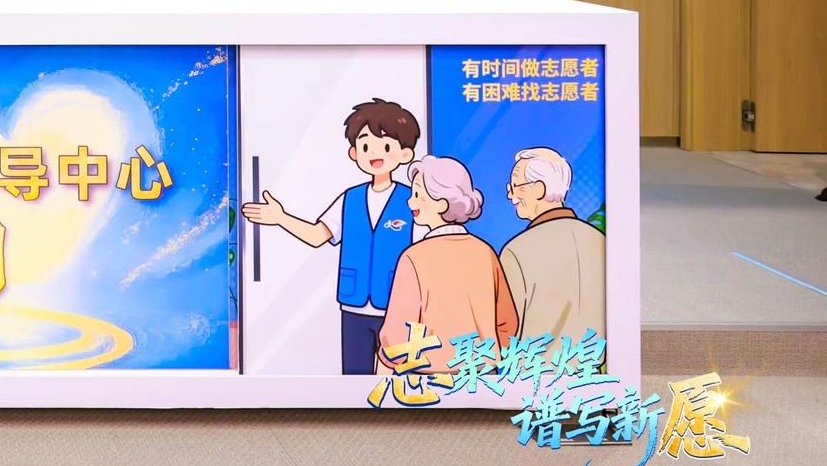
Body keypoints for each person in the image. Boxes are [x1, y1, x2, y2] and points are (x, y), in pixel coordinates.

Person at [240, 98, 421, 374]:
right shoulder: (350, 199)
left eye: (386, 146)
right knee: (354, 376)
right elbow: (317, 235)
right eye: (365, 146)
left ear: (405, 154)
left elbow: (424, 251)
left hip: (397, 304)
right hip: (353, 305)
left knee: (399, 378)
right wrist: (281, 218)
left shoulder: (411, 200)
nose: (375, 153)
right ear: (354, 152)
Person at [378, 156, 518, 373]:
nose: (410, 202)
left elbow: (396, 338)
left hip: (428, 378)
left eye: (418, 195)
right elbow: (507, 323)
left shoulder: (413, 257)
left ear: (442, 203)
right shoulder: (485, 252)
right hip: (483, 376)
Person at [500, 146, 606, 343]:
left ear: (539, 189)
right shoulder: (599, 240)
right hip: (593, 360)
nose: (510, 195)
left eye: (515, 186)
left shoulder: (517, 251)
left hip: (533, 362)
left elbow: (507, 327)